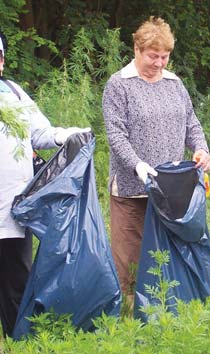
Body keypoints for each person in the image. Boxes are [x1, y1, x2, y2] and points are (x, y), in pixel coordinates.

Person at [102, 17, 210, 298]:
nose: (160, 63)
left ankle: (167, 309)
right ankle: (126, 315)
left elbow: (191, 124)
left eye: (165, 57)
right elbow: (116, 136)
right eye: (153, 56)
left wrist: (201, 149)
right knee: (129, 258)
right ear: (137, 50)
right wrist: (138, 166)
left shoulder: (175, 84)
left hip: (170, 190)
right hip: (131, 190)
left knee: (166, 256)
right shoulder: (119, 85)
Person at [0, 31, 89, 337]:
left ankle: (16, 341)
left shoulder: (13, 92)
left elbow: (39, 132)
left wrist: (66, 135)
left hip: (13, 209)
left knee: (16, 281)